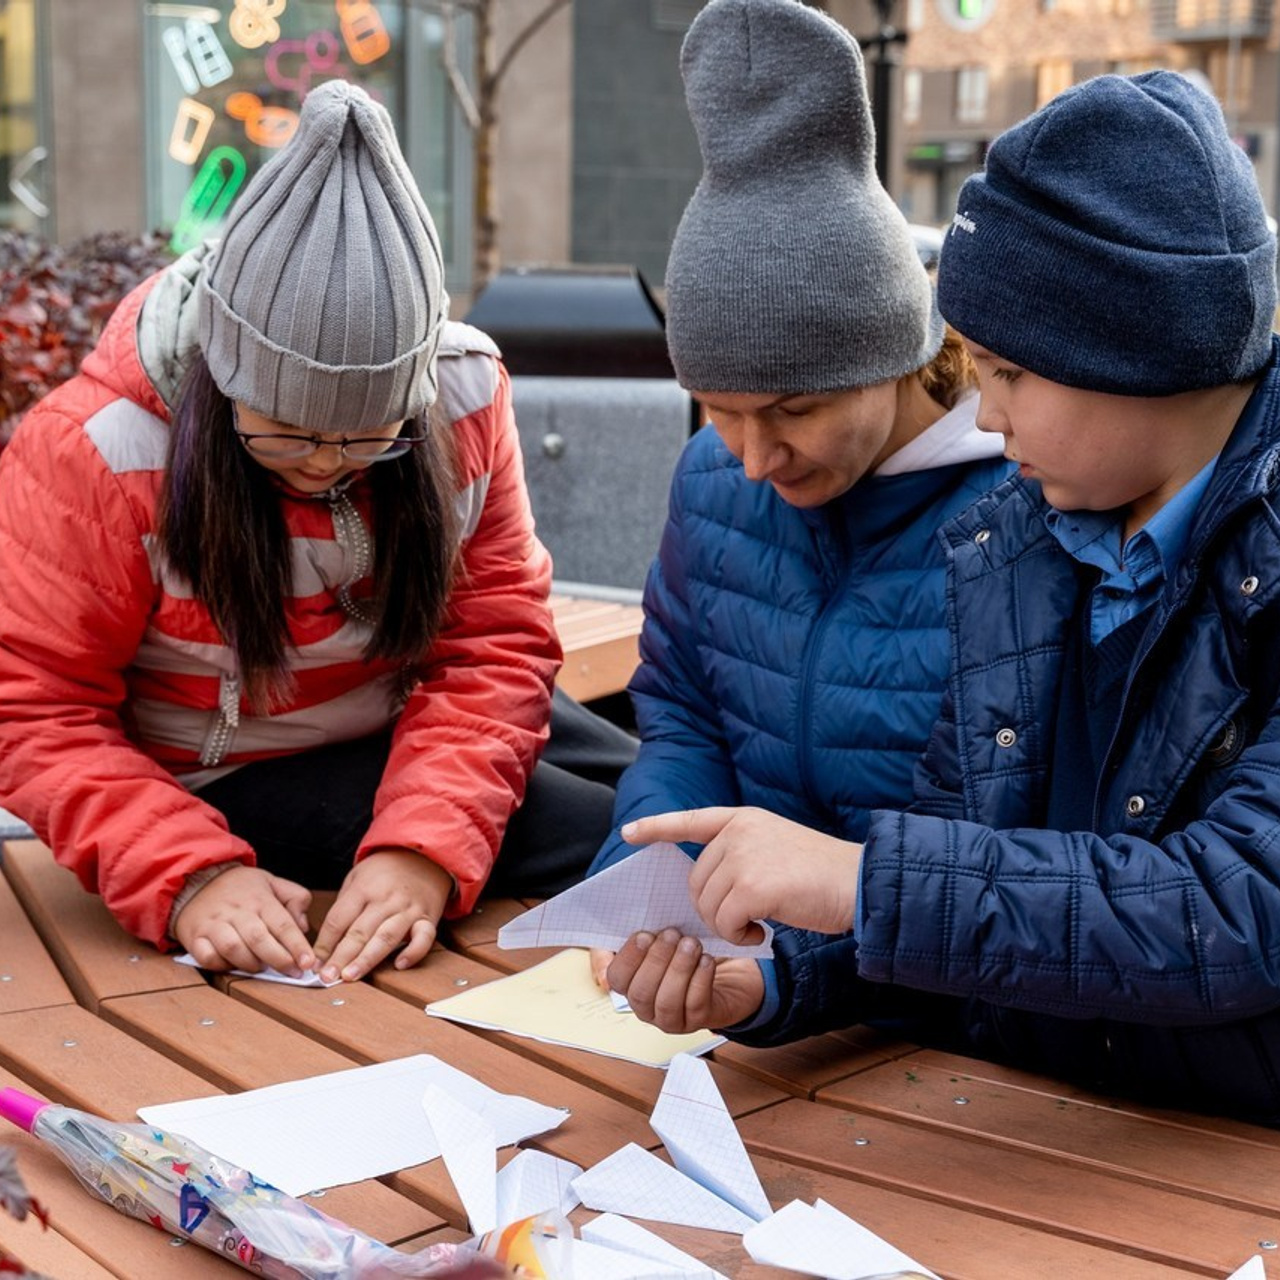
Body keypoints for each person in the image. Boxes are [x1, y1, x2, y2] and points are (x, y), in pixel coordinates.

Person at [609, 66, 1280, 1125]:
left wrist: (859, 881)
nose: (985, 412)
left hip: (1228, 1153)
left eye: (1007, 372)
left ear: (1140, 354)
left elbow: (1234, 904)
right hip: (1034, 1107)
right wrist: (777, 980)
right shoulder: (1016, 537)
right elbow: (959, 874)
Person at [0, 80, 633, 985]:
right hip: (214, 774)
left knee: (648, 796)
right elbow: (33, 707)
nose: (328, 463)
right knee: (600, 835)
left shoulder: (463, 395)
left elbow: (492, 642)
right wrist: (190, 875)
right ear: (222, 374)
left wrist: (420, 845)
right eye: (287, 432)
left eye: (373, 434)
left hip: (400, 714)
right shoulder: (99, 449)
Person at [586, 0, 1009, 1008]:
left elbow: (1005, 850)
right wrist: (641, 881)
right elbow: (685, 716)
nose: (752, 459)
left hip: (931, 1001)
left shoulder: (1023, 500)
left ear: (896, 356)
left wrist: (783, 973)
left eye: (793, 410)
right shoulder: (710, 477)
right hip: (750, 990)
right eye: (719, 410)